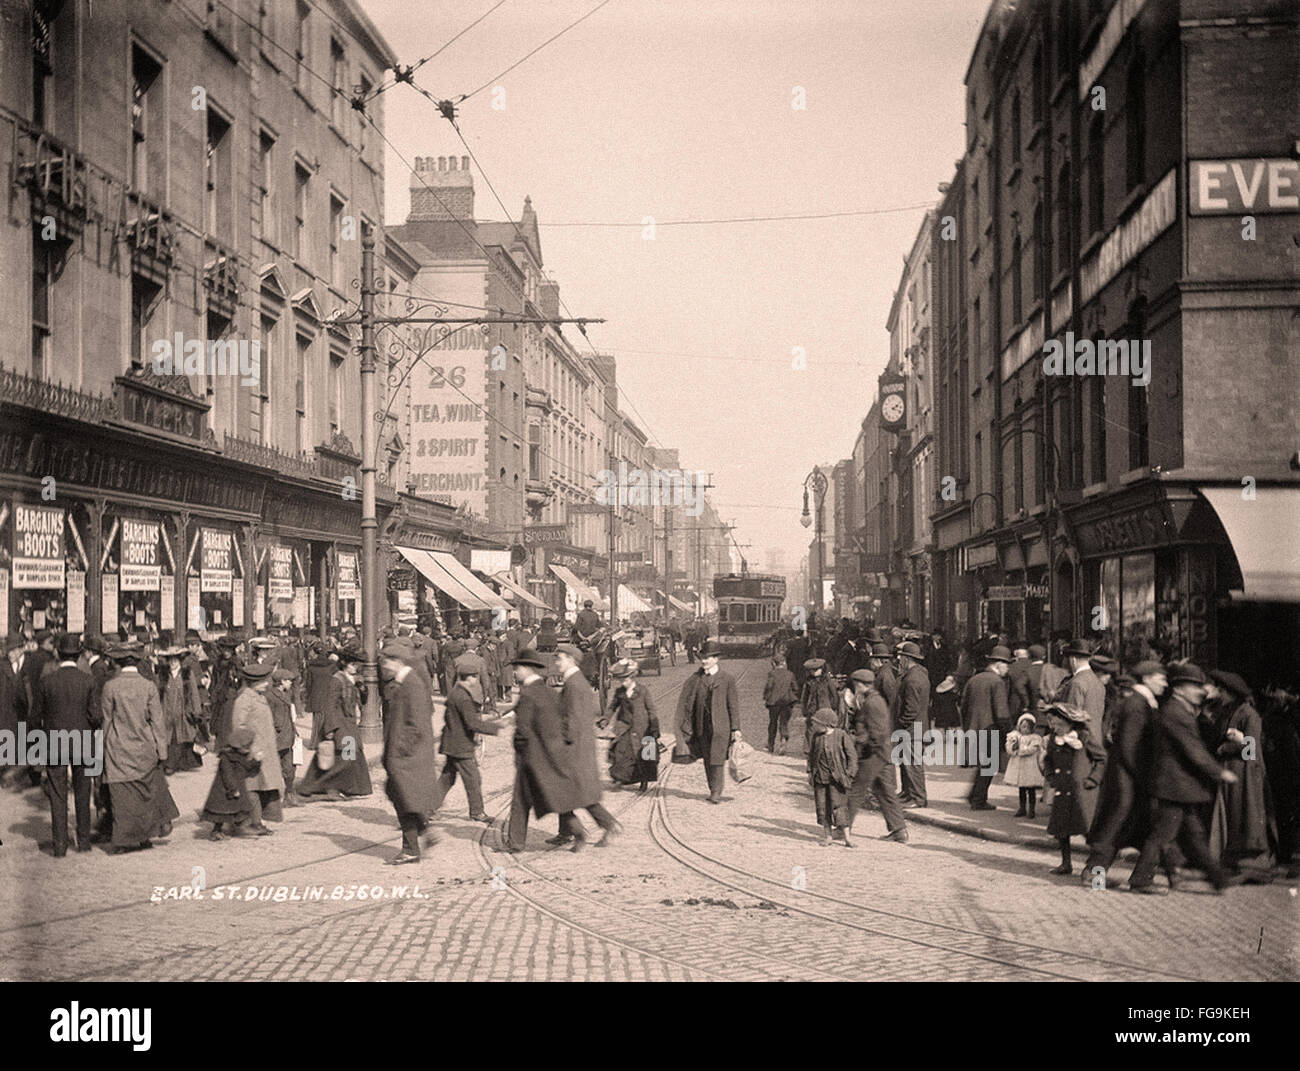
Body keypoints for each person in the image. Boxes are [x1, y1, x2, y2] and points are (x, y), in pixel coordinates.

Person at [1127, 663, 1241, 895]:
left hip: (1179, 785)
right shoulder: (1174, 712)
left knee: (1193, 834)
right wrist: (1220, 771)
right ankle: (1140, 878)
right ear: (1179, 689)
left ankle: (1217, 877)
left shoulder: (1182, 709)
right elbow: (1193, 748)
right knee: (1164, 834)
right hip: (1174, 785)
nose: (1201, 691)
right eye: (1195, 686)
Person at [1082, 661, 1171, 889]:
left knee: (1119, 827)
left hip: (1128, 779)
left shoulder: (1142, 703)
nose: (1164, 683)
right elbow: (1130, 747)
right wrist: (1146, 777)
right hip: (1128, 780)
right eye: (1161, 678)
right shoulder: (1136, 705)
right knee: (1115, 825)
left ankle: (1102, 874)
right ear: (1148, 678)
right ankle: (1096, 874)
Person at [99, 641, 179, 853]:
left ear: (117, 662)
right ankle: (144, 837)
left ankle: (123, 841)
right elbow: (157, 723)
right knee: (144, 795)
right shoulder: (148, 687)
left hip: (119, 750)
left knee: (123, 798)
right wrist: (161, 751)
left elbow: (107, 722)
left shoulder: (110, 687)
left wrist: (101, 751)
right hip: (144, 750)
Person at [505, 648, 587, 852]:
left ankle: (515, 843)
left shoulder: (527, 694)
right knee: (555, 795)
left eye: (517, 668)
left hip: (531, 755)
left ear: (527, 669)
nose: (515, 672)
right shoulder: (549, 690)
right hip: (551, 752)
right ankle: (576, 832)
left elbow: (523, 730)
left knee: (521, 800)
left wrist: (519, 752)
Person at [1207, 669, 1277, 879]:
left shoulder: (1249, 714)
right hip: (1233, 772)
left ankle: (1253, 865)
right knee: (1234, 814)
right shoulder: (1228, 711)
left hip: (1247, 775)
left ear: (1231, 692)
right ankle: (1235, 860)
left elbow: (1252, 749)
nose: (1219, 693)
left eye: (1222, 690)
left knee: (1246, 814)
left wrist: (1233, 744)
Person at [553, 644, 623, 850]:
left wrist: (561, 746)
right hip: (579, 747)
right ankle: (589, 829)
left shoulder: (574, 684)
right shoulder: (575, 682)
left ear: (571, 660)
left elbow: (573, 721)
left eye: (560, 658)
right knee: (573, 793)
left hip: (574, 748)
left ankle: (589, 830)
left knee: (571, 793)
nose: (557, 662)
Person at [32, 633, 96, 855]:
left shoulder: (46, 682)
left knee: (58, 794)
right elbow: (96, 716)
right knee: (82, 791)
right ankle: (85, 842)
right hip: (83, 741)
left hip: (55, 742)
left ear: (58, 654)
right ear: (78, 655)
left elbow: (35, 717)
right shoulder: (88, 681)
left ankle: (60, 846)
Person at [380, 650, 440, 866]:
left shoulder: (411, 684)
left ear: (398, 660)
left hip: (407, 757)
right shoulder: (403, 683)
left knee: (403, 798)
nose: (384, 665)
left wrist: (399, 751)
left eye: (387, 660)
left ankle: (411, 848)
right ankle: (423, 830)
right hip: (404, 755)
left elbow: (415, 725)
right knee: (401, 796)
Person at [431, 652, 500, 822]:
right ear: (468, 678)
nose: (476, 681)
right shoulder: (463, 697)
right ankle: (477, 812)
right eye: (474, 678)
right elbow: (472, 723)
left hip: (452, 742)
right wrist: (495, 728)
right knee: (473, 779)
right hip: (460, 745)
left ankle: (428, 809)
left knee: (447, 778)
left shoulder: (456, 692)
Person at [296, 647, 372, 799]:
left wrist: (363, 690)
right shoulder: (337, 680)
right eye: (353, 665)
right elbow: (329, 705)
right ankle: (331, 787)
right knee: (347, 757)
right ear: (344, 664)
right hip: (340, 724)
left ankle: (344, 787)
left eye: (357, 665)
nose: (356, 668)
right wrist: (331, 727)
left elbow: (362, 702)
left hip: (349, 723)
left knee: (346, 757)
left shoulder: (353, 680)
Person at [844, 668, 908, 842]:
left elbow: (876, 732)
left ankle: (843, 827)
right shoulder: (872, 700)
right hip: (882, 753)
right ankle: (899, 831)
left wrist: (858, 741)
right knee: (885, 792)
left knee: (856, 790)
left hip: (874, 754)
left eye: (856, 684)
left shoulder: (872, 703)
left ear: (860, 684)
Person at [676, 640, 742, 803]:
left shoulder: (727, 679)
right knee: (707, 758)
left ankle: (716, 791)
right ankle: (712, 787)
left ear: (716, 659)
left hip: (721, 726)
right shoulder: (696, 679)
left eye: (708, 658)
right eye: (703, 658)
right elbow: (687, 699)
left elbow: (733, 705)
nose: (704, 661)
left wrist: (736, 728)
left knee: (717, 758)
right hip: (702, 726)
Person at [230, 661, 284, 828]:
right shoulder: (244, 699)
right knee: (252, 787)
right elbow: (239, 727)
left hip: (265, 750)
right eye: (263, 681)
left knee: (263, 786)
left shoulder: (259, 697)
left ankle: (258, 820)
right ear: (254, 682)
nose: (267, 684)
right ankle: (253, 822)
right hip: (254, 752)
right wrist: (250, 749)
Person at [961, 645, 1011, 810]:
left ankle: (974, 795)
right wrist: (1008, 731)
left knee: (984, 765)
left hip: (973, 728)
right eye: (1006, 665)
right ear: (998, 664)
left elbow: (963, 706)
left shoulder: (974, 679)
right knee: (990, 765)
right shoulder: (997, 682)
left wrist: (967, 726)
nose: (1007, 668)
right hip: (991, 729)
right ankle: (978, 800)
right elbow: (1001, 710)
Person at [807, 706, 859, 847]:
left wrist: (849, 774)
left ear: (826, 724)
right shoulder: (816, 738)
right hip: (820, 778)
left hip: (837, 780)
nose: (814, 726)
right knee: (822, 808)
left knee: (840, 807)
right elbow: (811, 756)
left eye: (817, 724)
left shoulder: (841, 736)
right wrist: (810, 772)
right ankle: (828, 836)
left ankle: (847, 838)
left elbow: (852, 756)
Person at [201, 726, 265, 839]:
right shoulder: (226, 758)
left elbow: (248, 768)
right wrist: (233, 789)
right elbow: (227, 776)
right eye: (247, 746)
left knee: (231, 811)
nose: (249, 749)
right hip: (225, 790)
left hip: (235, 789)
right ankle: (219, 831)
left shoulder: (240, 756)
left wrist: (257, 761)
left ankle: (221, 831)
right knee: (222, 813)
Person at [607, 659, 661, 791]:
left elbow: (651, 710)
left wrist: (654, 727)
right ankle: (619, 779)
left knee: (643, 756)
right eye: (621, 680)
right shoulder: (620, 692)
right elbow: (612, 707)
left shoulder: (642, 691)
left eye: (625, 680)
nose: (622, 682)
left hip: (642, 729)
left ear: (632, 677)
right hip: (624, 728)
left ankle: (644, 780)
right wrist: (605, 719)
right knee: (620, 753)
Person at [892, 641, 930, 808]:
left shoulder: (912, 679)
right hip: (916, 727)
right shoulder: (919, 674)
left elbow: (911, 709)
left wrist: (900, 724)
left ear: (908, 659)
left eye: (901, 657)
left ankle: (918, 798)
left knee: (913, 764)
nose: (899, 660)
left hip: (912, 729)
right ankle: (908, 793)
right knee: (907, 762)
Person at [268, 668, 302, 809]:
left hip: (288, 735)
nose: (290, 683)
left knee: (290, 768)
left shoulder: (286, 694)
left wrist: (295, 730)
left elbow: (290, 715)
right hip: (277, 736)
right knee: (273, 768)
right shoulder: (270, 696)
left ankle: (289, 794)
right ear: (281, 681)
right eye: (288, 681)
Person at [1003, 712, 1045, 818]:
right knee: (1021, 789)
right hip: (1019, 768)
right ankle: (1022, 808)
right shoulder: (1015, 736)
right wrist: (1013, 748)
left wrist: (1020, 750)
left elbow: (1031, 749)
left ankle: (1031, 809)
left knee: (1031, 789)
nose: (1025, 729)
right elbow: (1008, 748)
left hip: (1030, 767)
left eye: (1027, 727)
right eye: (1023, 726)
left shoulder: (1035, 738)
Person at [762, 652, 798, 754]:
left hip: (774, 703)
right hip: (787, 702)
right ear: (784, 663)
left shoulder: (772, 674)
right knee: (784, 722)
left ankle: (771, 745)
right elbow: (795, 688)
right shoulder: (790, 674)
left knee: (772, 723)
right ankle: (783, 740)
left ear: (774, 663)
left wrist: (766, 697)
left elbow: (768, 687)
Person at [800, 658, 837, 754]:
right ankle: (809, 750)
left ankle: (826, 748)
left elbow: (834, 695)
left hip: (825, 708)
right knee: (810, 728)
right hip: (813, 709)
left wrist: (832, 708)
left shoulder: (827, 681)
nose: (814, 672)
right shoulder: (808, 682)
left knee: (826, 729)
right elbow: (804, 697)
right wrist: (804, 709)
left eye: (816, 670)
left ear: (822, 669)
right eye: (812, 670)